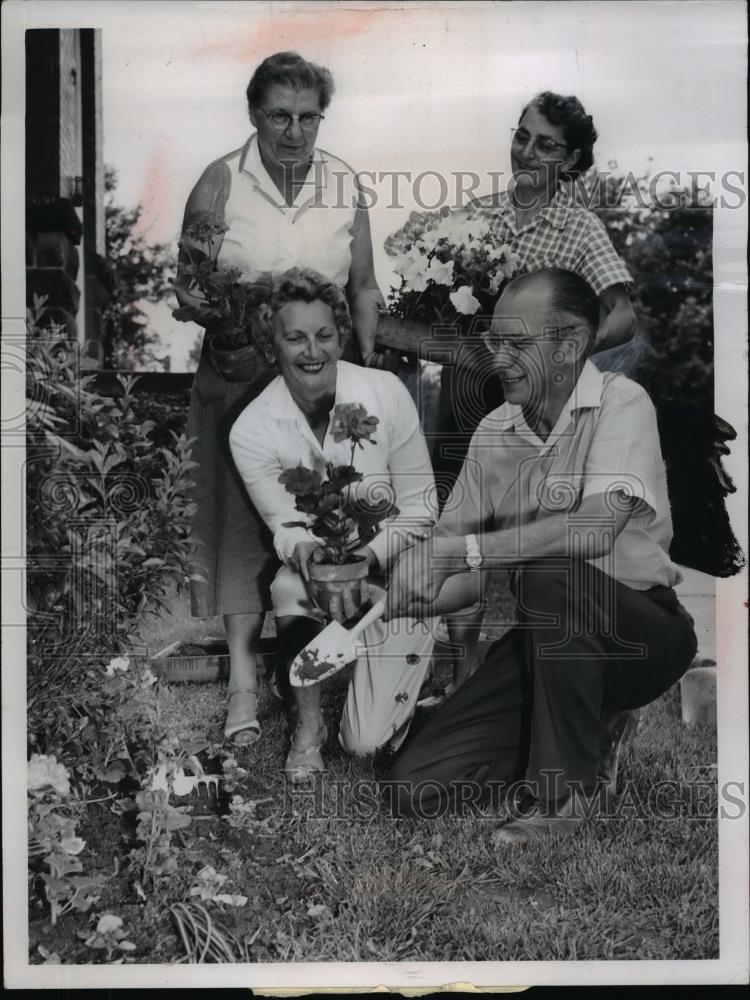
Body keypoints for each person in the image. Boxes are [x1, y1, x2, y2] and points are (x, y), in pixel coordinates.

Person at [383, 268, 697, 842]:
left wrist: (462, 552)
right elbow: (458, 576)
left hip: (642, 636)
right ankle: (583, 731)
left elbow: (596, 528)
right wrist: (395, 596)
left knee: (549, 574)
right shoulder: (493, 432)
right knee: (414, 787)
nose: (497, 359)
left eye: (516, 344)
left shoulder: (621, 403)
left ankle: (562, 795)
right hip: (551, 638)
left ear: (570, 344)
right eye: (493, 341)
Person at [173, 51, 393, 746]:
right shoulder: (219, 181)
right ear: (254, 115)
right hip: (238, 374)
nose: (295, 131)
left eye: (308, 117)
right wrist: (242, 311)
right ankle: (242, 679)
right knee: (242, 526)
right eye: (280, 116)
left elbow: (361, 285)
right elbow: (188, 287)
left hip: (317, 377)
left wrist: (363, 360)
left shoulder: (344, 184)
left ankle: (311, 670)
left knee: (326, 519)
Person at [434, 90, 639, 699]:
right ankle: (460, 676)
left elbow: (622, 316)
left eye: (546, 144)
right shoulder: (478, 214)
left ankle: (538, 681)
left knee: (540, 546)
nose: (526, 151)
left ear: (572, 161)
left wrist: (554, 358)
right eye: (522, 135)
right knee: (454, 528)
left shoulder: (579, 228)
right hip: (468, 392)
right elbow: (440, 303)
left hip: (536, 412)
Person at [229, 268, 441, 782]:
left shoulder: (385, 392)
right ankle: (307, 730)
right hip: (322, 567)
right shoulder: (250, 428)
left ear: (341, 335)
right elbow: (285, 524)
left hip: (396, 566)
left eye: (324, 335)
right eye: (294, 337)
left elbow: (422, 506)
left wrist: (367, 559)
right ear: (269, 343)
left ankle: (408, 671)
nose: (312, 352)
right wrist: (305, 552)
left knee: (365, 744)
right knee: (288, 587)